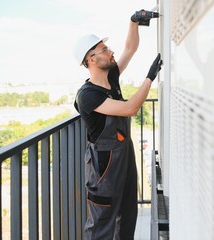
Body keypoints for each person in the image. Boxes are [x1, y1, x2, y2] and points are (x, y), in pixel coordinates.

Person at [72, 9, 162, 240]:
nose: (110, 52)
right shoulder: (88, 95)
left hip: (124, 153)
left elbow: (130, 49)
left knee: (128, 212)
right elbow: (130, 108)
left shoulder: (110, 77)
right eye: (104, 50)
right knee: (103, 220)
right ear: (91, 59)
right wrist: (149, 77)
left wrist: (133, 22)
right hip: (104, 164)